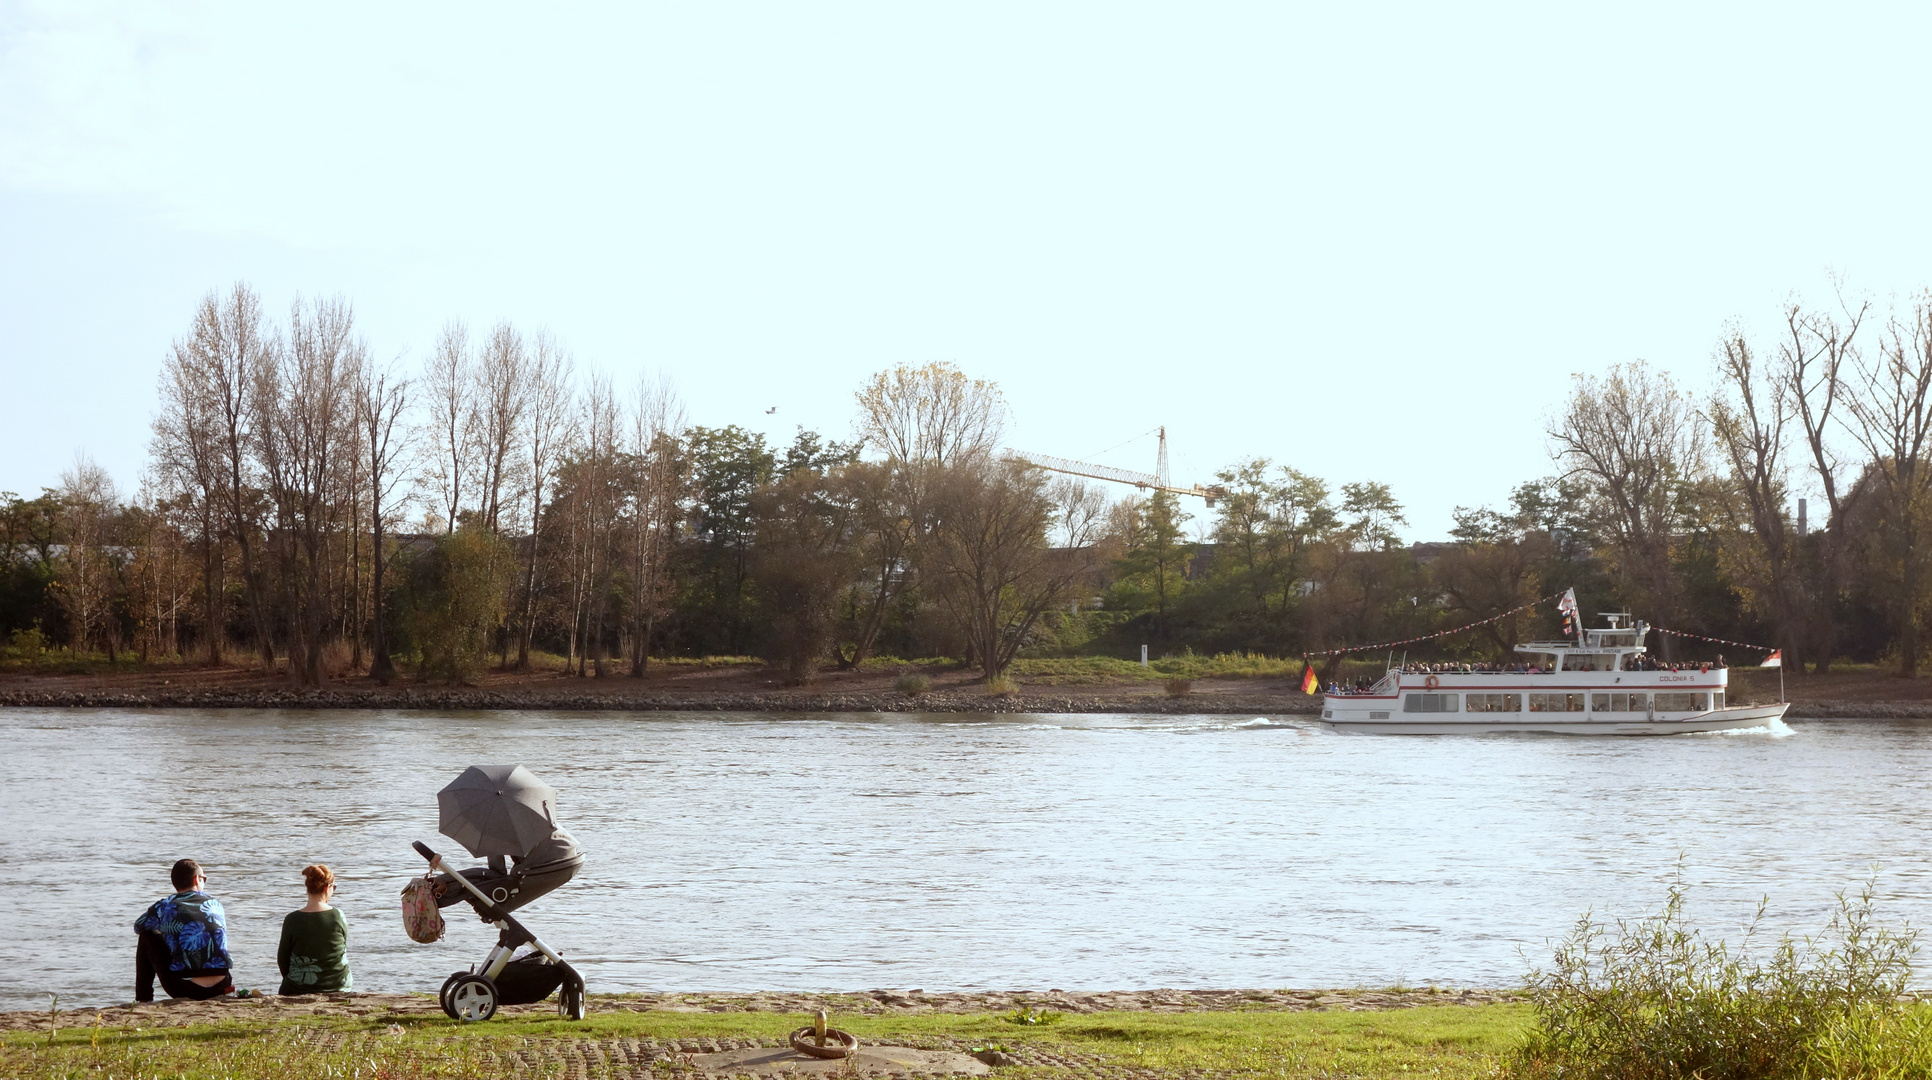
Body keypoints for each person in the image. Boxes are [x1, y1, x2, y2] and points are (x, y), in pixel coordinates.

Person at [134, 858, 233, 1002]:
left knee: (147, 935)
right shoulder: (215, 904)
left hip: (185, 988)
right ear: (196, 879)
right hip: (222, 984)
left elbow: (139, 926)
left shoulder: (166, 905)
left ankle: (143, 998)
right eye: (204, 879)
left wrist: (166, 931)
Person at [277, 864, 352, 995]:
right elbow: (341, 948)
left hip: (298, 987)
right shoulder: (338, 915)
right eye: (334, 887)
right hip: (338, 984)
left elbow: (282, 959)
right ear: (327, 888)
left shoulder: (292, 919)